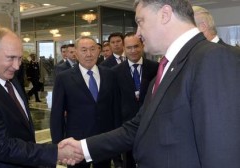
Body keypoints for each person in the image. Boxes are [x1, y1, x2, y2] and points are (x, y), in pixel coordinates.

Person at [60, 0, 240, 168]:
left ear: (165, 14)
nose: (138, 32)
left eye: (140, 21)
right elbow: (138, 126)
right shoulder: (167, 68)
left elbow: (222, 151)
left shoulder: (212, 58)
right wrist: (82, 147)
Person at [0, 27, 82, 168]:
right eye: (11, 58)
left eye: (19, 58)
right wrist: (56, 153)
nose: (17, 66)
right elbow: (2, 146)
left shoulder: (11, 79)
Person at [50, 36, 120, 168]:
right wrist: (58, 145)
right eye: (84, 50)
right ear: (75, 53)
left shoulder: (110, 75)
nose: (89, 54)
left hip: (104, 140)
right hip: (76, 143)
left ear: (98, 51)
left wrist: (117, 138)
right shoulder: (64, 78)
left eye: (92, 49)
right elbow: (57, 114)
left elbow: (115, 108)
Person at [112, 32, 158, 168]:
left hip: (151, 123)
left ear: (142, 46)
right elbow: (114, 102)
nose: (133, 51)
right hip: (127, 126)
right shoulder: (115, 72)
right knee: (129, 162)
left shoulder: (156, 68)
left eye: (136, 46)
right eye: (129, 47)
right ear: (124, 49)